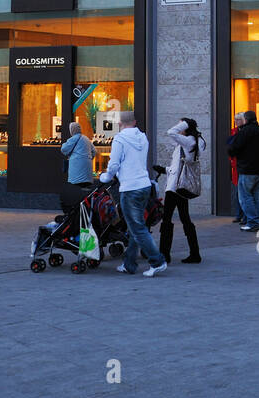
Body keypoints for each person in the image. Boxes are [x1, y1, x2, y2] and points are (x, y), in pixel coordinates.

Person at [100, 112, 166, 277]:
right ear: (135, 122)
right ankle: (129, 264)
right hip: (144, 185)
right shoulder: (143, 138)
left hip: (130, 188)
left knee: (138, 229)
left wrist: (105, 177)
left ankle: (157, 261)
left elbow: (114, 163)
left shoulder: (120, 139)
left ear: (120, 123)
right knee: (135, 227)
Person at [160, 118, 203, 264]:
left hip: (174, 187)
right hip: (181, 185)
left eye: (181, 124)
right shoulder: (196, 141)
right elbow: (179, 166)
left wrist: (184, 123)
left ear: (186, 127)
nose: (178, 127)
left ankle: (164, 254)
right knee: (185, 218)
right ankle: (195, 253)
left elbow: (170, 132)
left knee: (167, 219)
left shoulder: (189, 140)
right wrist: (164, 170)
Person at [228, 109, 259, 233]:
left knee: (245, 197)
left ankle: (253, 222)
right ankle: (256, 219)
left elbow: (233, 148)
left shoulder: (244, 132)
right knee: (256, 196)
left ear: (245, 119)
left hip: (247, 169)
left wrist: (233, 153)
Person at [59, 121, 96, 215]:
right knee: (85, 189)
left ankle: (77, 210)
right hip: (87, 170)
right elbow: (94, 151)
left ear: (72, 130)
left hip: (76, 168)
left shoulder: (73, 139)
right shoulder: (86, 138)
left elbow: (64, 149)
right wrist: (88, 159)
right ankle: (85, 209)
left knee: (76, 189)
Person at [227, 113, 244, 222]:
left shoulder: (245, 132)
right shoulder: (233, 131)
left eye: (238, 119)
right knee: (238, 191)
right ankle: (239, 214)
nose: (236, 121)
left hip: (243, 165)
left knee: (243, 192)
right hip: (236, 166)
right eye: (235, 120)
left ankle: (243, 215)